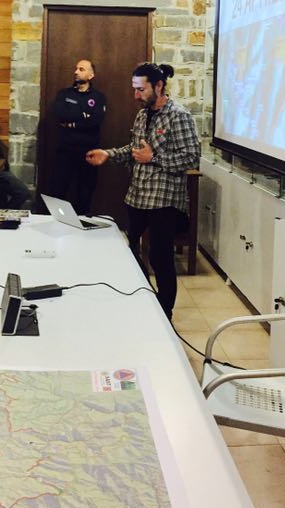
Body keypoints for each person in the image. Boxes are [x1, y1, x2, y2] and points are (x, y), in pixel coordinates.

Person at [86, 62, 199, 318]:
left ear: (159, 86)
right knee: (130, 253)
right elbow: (134, 151)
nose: (135, 95)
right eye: (134, 89)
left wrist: (155, 158)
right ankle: (139, 303)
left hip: (164, 201)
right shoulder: (142, 114)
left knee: (160, 259)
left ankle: (164, 313)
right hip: (137, 196)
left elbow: (192, 158)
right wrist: (108, 154)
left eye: (141, 89)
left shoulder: (179, 115)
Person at [50, 59, 107, 215]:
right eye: (76, 68)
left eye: (81, 69)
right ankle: (57, 230)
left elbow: (96, 121)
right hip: (65, 151)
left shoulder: (98, 97)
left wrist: (72, 122)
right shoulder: (64, 94)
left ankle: (82, 230)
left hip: (89, 153)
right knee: (58, 192)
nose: (76, 72)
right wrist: (83, 116)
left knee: (85, 194)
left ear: (91, 75)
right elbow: (61, 114)